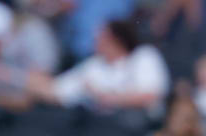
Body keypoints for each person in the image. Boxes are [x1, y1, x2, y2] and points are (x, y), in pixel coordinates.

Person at [27, 19, 170, 119]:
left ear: (116, 40)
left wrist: (108, 98)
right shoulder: (94, 64)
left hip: (137, 124)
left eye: (100, 37)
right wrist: (26, 80)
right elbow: (58, 90)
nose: (95, 41)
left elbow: (152, 94)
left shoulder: (144, 56)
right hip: (99, 125)